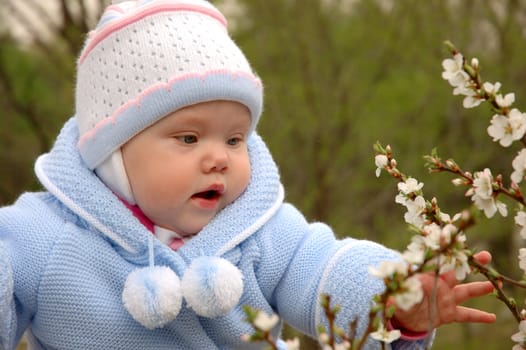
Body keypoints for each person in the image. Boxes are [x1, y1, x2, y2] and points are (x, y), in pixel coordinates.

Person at [0, 0, 496, 349]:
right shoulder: (47, 237)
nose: (219, 157)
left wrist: (393, 298)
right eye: (189, 138)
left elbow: (320, 267)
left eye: (235, 139)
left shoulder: (257, 231)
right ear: (111, 153)